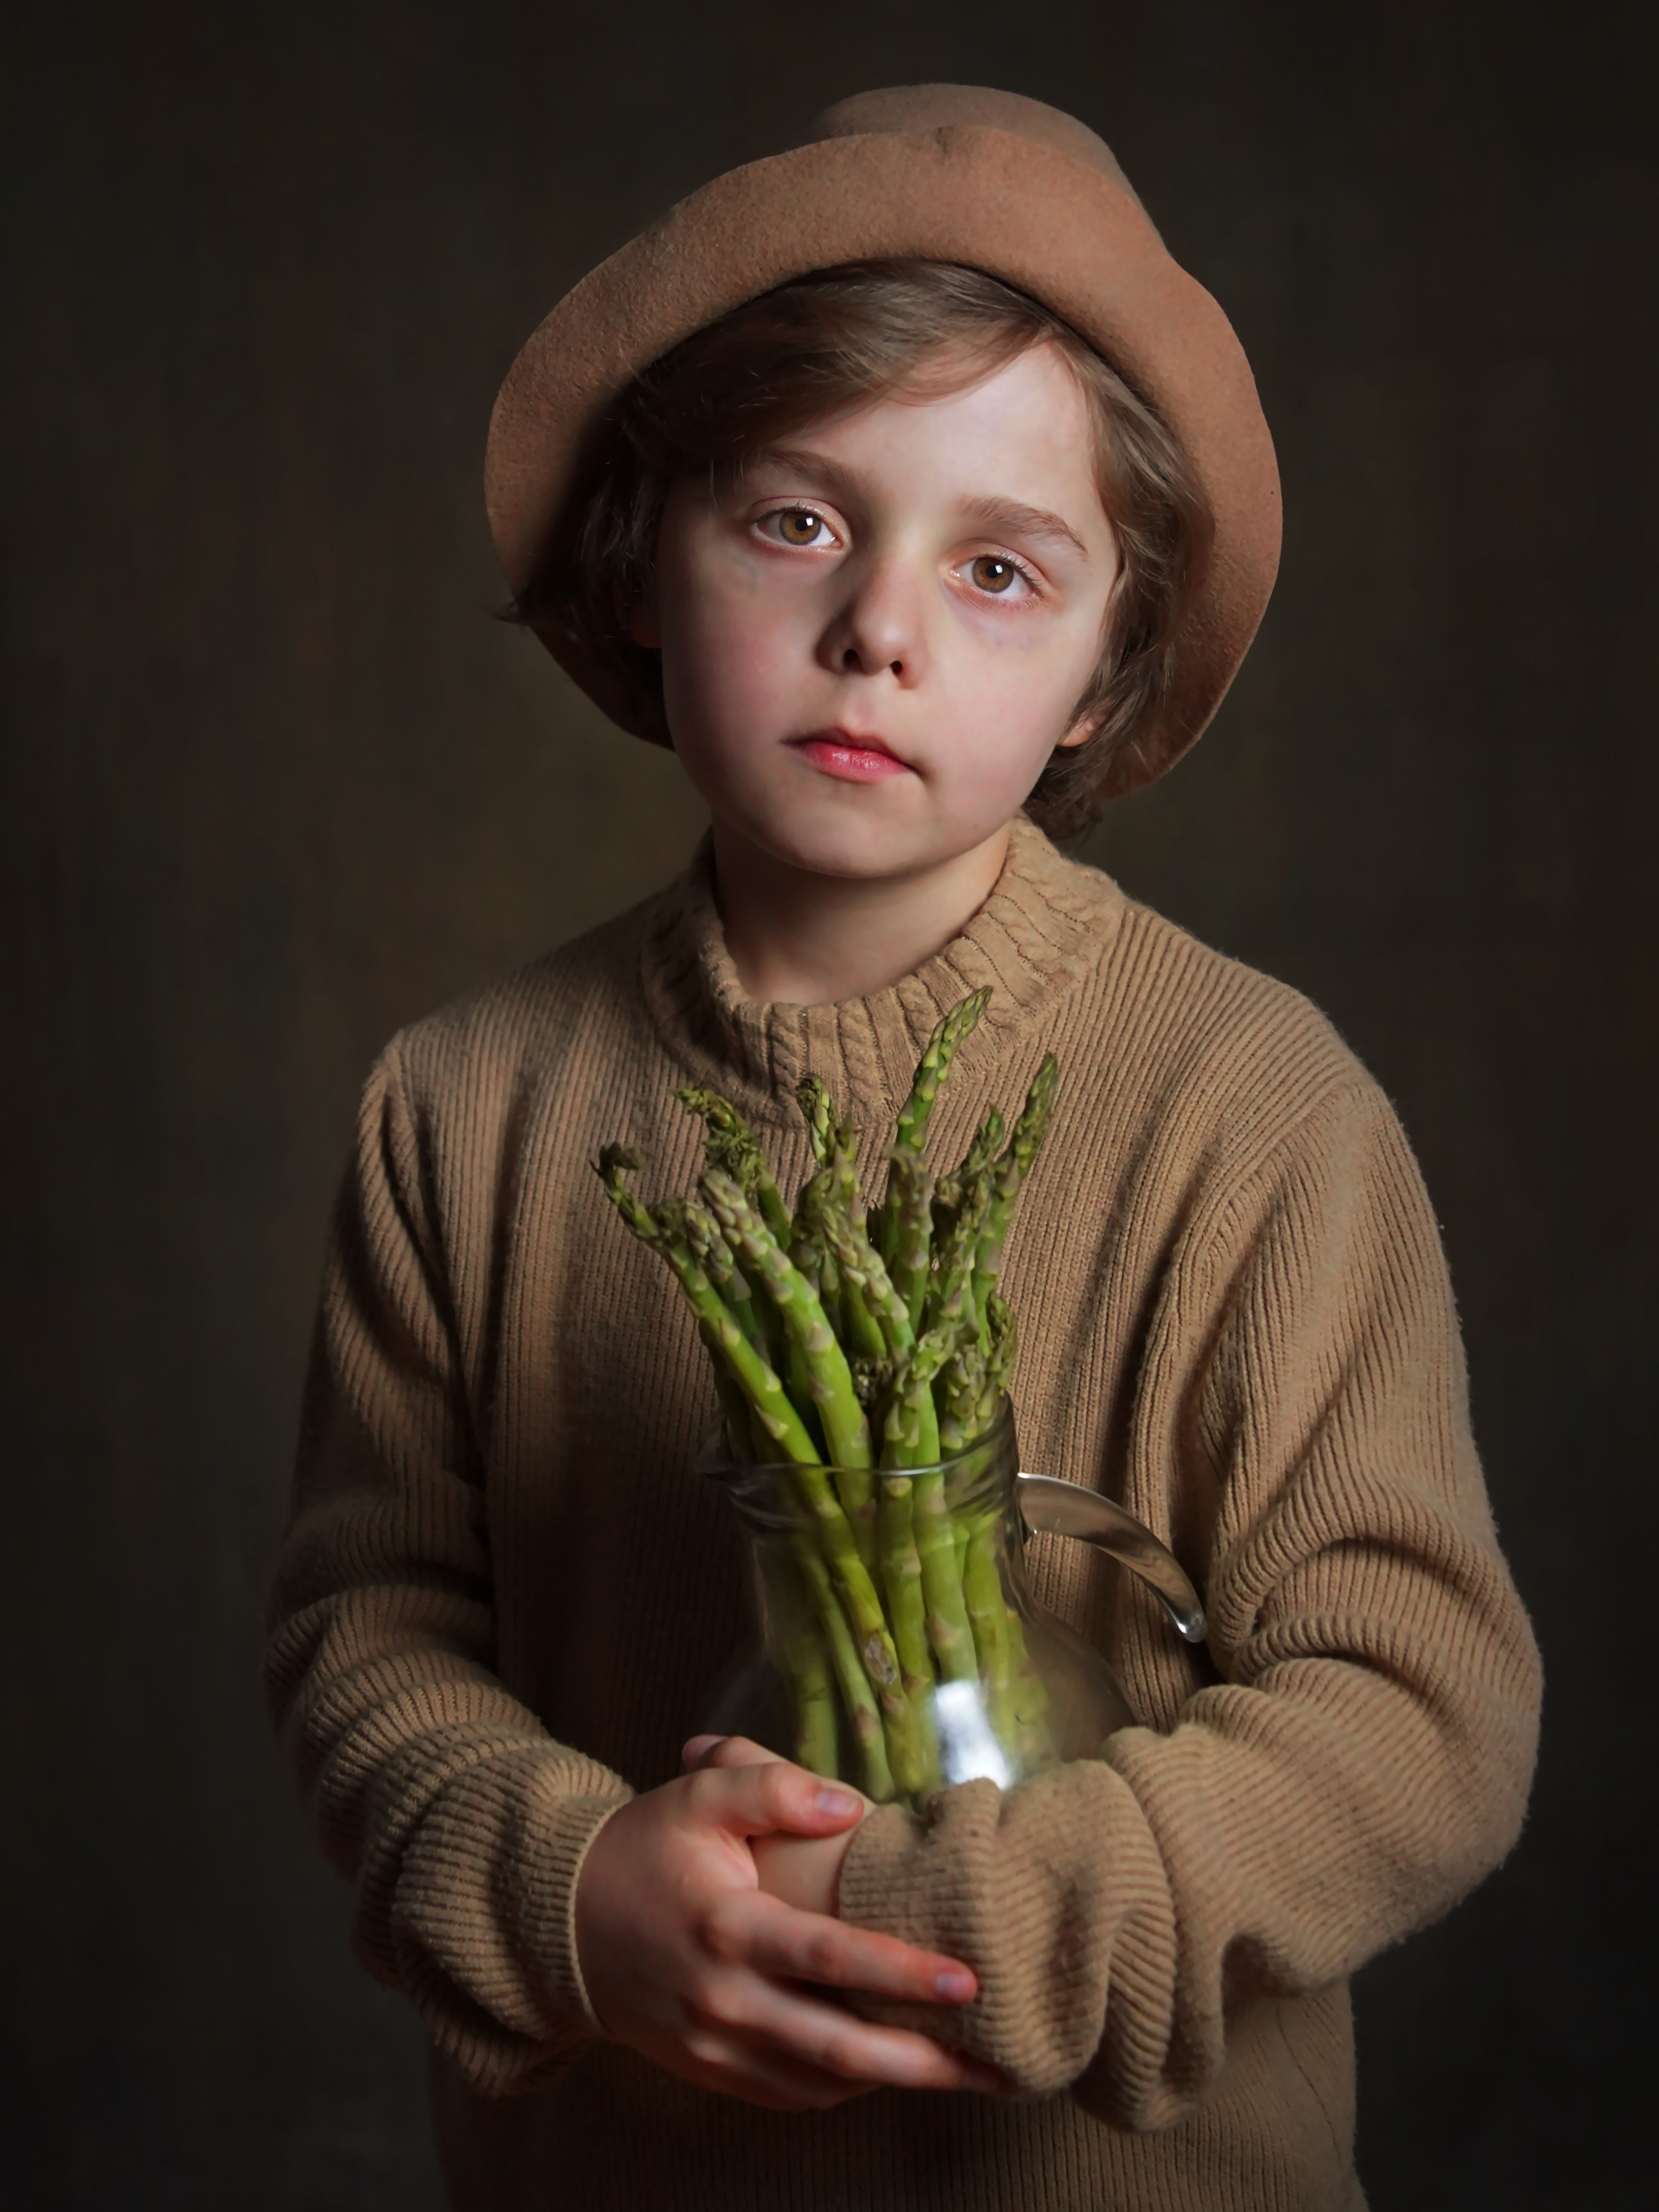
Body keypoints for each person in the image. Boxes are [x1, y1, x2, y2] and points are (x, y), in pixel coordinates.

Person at [264, 84, 1542, 2211]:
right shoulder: (461, 1106)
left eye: (1002, 568)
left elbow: (1415, 1710)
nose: (882, 626)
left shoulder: (1253, 1104)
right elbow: (368, 1635)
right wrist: (577, 1893)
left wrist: (991, 1916)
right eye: (794, 521)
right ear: (643, 555)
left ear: (1100, 677)